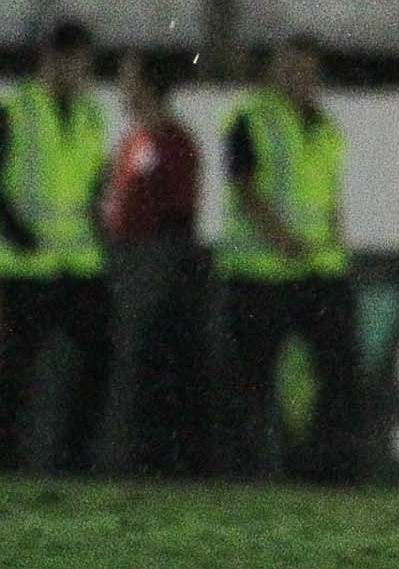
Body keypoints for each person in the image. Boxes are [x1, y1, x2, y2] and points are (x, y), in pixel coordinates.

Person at [217, 35, 357, 480]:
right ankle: (247, 472)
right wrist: (281, 238)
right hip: (259, 271)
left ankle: (323, 471)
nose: (301, 79)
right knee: (253, 381)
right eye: (292, 69)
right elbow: (243, 186)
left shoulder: (326, 127)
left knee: (337, 373)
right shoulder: (250, 119)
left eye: (308, 71)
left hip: (318, 269)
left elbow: (329, 194)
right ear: (274, 72)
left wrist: (337, 242)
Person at [0, 20, 113, 471]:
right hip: (26, 265)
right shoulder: (15, 110)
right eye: (70, 62)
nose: (77, 72)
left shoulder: (91, 115)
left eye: (82, 63)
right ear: (49, 60)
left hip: (80, 261)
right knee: (15, 371)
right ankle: (8, 459)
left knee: (98, 359)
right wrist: (14, 232)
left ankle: (76, 458)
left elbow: (93, 185)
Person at [104, 50, 209, 476]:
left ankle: (151, 461)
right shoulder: (133, 140)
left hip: (154, 263)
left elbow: (177, 215)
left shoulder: (174, 141)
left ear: (147, 85)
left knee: (146, 362)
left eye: (128, 79)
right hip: (129, 261)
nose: (122, 89)